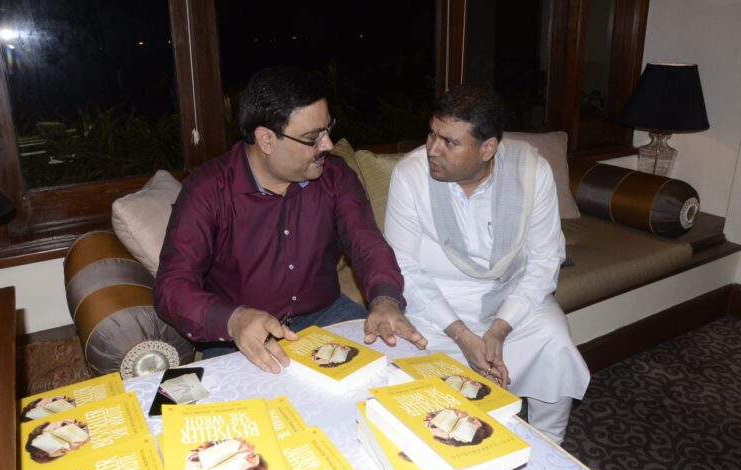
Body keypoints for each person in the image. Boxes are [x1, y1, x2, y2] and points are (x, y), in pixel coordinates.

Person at [154, 66, 426, 373]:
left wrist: (385, 298)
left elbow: (368, 245)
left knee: (403, 376)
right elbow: (172, 286)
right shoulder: (207, 190)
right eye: (313, 137)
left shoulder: (336, 177)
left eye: (327, 129)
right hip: (242, 332)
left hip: (327, 314)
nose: (327, 144)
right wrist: (232, 319)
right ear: (267, 140)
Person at [383, 84, 590, 443]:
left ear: (488, 148)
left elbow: (544, 260)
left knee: (554, 342)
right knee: (399, 374)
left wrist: (498, 329)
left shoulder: (531, 173)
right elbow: (403, 267)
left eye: (450, 142)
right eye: (432, 134)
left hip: (512, 299)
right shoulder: (410, 174)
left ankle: (549, 445)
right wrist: (462, 334)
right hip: (433, 310)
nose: (432, 149)